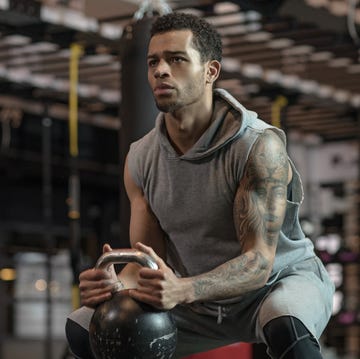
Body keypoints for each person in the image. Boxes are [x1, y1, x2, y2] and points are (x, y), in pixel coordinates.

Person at [66, 12, 335, 359]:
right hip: (198, 305)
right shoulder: (141, 159)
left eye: (176, 59)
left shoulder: (256, 146)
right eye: (153, 62)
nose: (161, 70)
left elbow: (257, 263)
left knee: (288, 327)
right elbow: (146, 260)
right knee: (86, 330)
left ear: (210, 71)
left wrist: (183, 289)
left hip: (275, 285)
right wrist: (115, 285)